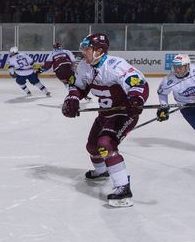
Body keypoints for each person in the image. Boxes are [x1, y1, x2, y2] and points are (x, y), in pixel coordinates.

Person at [62, 33, 149, 207]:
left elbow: (138, 84)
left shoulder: (115, 66)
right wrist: (72, 99)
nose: (83, 52)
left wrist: (135, 100)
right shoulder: (84, 66)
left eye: (87, 49)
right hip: (105, 113)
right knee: (92, 147)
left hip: (124, 113)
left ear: (99, 51)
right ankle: (102, 172)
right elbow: (79, 86)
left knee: (105, 144)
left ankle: (123, 187)